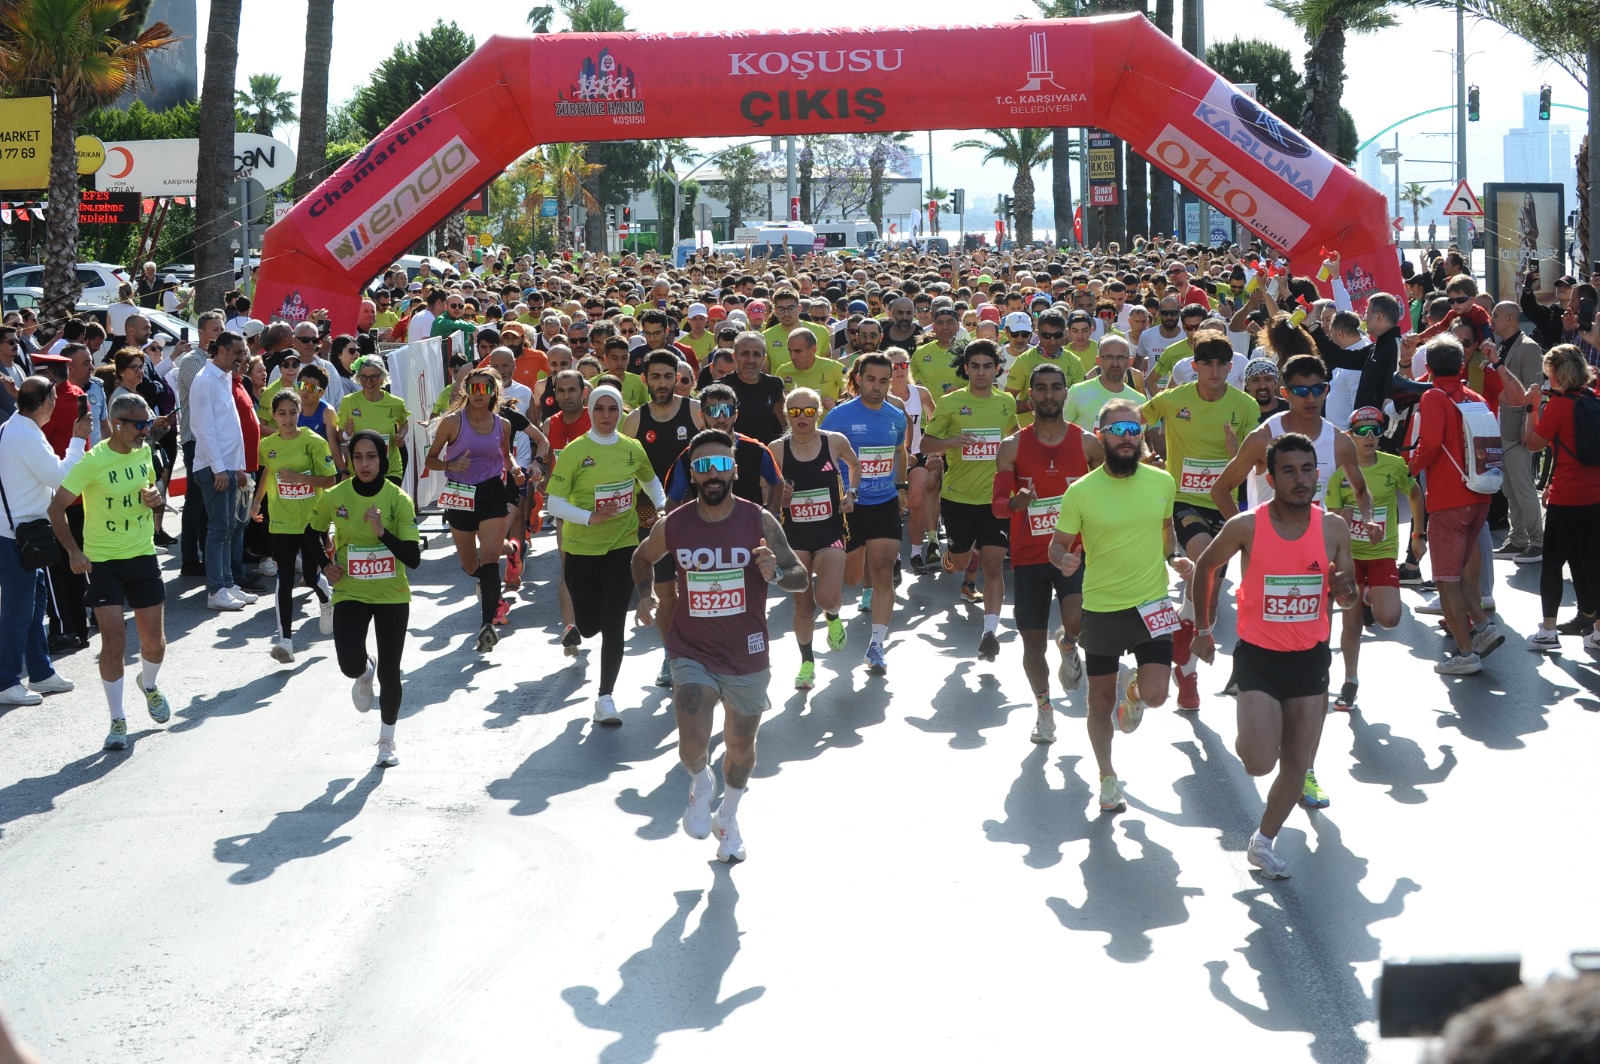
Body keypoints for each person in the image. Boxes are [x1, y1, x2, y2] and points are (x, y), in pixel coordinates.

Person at [631, 428, 811, 863]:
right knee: (693, 745)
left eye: (721, 465)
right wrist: (644, 595)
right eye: (703, 467)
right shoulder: (675, 524)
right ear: (692, 476)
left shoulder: (759, 521)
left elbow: (801, 578)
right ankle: (699, 783)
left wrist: (775, 572)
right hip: (692, 650)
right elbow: (641, 557)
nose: (713, 474)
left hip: (747, 654)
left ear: (733, 469)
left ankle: (728, 817)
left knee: (741, 746)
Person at [1189, 432, 1359, 879]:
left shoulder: (1333, 528)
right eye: (1289, 471)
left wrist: (1345, 590)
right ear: (1270, 475)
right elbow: (1206, 565)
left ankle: (1262, 842)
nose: (1301, 479)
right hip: (1260, 657)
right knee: (1259, 761)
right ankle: (1254, 727)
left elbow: (1347, 592)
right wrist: (1203, 629)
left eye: (1308, 469)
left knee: (1297, 762)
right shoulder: (1247, 525)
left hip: (1310, 659)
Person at [1049, 398, 1187, 813]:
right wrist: (1064, 558)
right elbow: (1057, 546)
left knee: (1159, 695)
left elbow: (1165, 530)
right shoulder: (1080, 492)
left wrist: (1174, 557)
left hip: (1152, 602)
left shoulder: (1162, 482)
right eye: (1118, 432)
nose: (1128, 439)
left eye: (1134, 431)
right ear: (1100, 436)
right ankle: (1107, 777)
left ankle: (1137, 693)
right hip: (1103, 608)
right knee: (1099, 703)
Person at [1141, 330, 1259, 710]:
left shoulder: (1244, 406)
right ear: (1194, 367)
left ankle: (1185, 672)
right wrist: (1145, 453)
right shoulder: (1175, 399)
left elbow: (1256, 461)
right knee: (1201, 565)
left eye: (1220, 364)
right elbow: (1135, 418)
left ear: (1230, 367)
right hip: (1184, 501)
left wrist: (1236, 452)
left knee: (1204, 601)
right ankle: (1185, 660)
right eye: (1205, 363)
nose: (1213, 370)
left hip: (1224, 503)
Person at [49, 393, 172, 751]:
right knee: (114, 641)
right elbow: (55, 508)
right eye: (138, 424)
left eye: (147, 422)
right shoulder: (92, 462)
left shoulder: (144, 452)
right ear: (117, 424)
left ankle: (148, 686)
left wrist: (156, 498)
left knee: (153, 642)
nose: (145, 430)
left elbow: (151, 491)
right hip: (103, 561)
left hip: (142, 554)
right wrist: (74, 552)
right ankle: (117, 719)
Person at [994, 362, 1103, 743]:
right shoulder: (1013, 446)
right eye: (1041, 388)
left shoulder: (1088, 443)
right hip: (1029, 557)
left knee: (1076, 620)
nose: (1049, 395)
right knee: (1032, 644)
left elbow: (1109, 493)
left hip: (1072, 552)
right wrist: (1016, 503)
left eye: (1056, 388)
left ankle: (1069, 644)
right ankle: (1044, 710)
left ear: (1065, 392)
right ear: (1030, 394)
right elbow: (996, 507)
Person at [544, 385, 665, 725]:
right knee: (589, 625)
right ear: (591, 410)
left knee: (614, 622)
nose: (607, 416)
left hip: (623, 542)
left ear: (621, 412)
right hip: (582, 547)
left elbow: (650, 480)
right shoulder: (575, 451)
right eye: (601, 409)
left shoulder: (631, 448)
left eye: (613, 409)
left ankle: (605, 697)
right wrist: (589, 517)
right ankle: (583, 625)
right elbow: (554, 502)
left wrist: (662, 505)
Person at [310, 431, 422, 767]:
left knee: (391, 671)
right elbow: (311, 532)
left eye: (371, 456)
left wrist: (382, 533)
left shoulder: (398, 499)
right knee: (348, 663)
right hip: (351, 591)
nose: (364, 464)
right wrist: (325, 564)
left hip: (391, 595)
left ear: (382, 458)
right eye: (357, 457)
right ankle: (363, 670)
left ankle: (387, 740)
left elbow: (413, 558)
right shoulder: (335, 496)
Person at [1407, 336, 1504, 675]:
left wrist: (1412, 465)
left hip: (1450, 499)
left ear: (1429, 368)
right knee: (1462, 569)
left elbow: (1430, 443)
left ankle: (1466, 654)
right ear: (1461, 365)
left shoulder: (1433, 396)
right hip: (1479, 495)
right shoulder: (1473, 396)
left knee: (1445, 579)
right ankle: (1483, 627)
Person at [921, 339, 1019, 658]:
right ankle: (955, 554)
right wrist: (952, 441)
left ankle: (990, 631)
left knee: (993, 566)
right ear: (966, 369)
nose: (980, 372)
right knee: (959, 562)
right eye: (974, 366)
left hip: (995, 497)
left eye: (987, 366)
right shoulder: (951, 403)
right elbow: (925, 443)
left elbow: (1015, 441)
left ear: (996, 370)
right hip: (958, 497)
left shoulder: (1006, 403)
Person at [1500, 344, 1600, 653]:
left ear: (1555, 373)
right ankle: (1597, 630)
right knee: (1593, 563)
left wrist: (1532, 407)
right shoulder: (1594, 400)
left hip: (1567, 497)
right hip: (1595, 496)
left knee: (1553, 563)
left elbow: (1533, 444)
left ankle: (1548, 629)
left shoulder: (1558, 407)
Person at [1324, 406, 1424, 712]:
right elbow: (1327, 515)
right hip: (1349, 556)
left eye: (1376, 431)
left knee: (1389, 619)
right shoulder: (1339, 471)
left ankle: (1371, 598)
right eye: (1363, 432)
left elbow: (1416, 494)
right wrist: (1342, 514)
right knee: (1351, 622)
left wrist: (1418, 536)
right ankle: (1350, 682)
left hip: (1381, 552)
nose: (1370, 437)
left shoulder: (1394, 465)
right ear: (1351, 436)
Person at [0, 374, 88, 705]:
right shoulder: (24, 434)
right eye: (54, 399)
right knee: (18, 611)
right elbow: (62, 478)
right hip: (19, 537)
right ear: (46, 403)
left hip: (22, 534)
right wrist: (78, 440)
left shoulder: (18, 427)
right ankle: (7, 680)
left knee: (34, 607)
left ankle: (40, 673)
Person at [821, 352, 909, 674]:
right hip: (849, 506)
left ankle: (877, 645)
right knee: (853, 577)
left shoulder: (896, 415)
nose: (877, 386)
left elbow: (900, 451)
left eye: (883, 381)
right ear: (858, 378)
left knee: (884, 570)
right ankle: (846, 604)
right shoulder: (839, 417)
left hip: (884, 501)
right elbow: (821, 456)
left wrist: (900, 488)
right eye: (870, 379)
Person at [424, 367, 523, 653]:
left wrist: (515, 470)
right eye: (474, 388)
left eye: (485, 388)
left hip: (492, 491)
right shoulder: (452, 422)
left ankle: (486, 626)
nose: (479, 394)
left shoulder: (502, 424)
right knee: (470, 565)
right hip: (459, 493)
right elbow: (430, 460)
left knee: (489, 558)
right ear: (467, 391)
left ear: (494, 391)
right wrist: (450, 465)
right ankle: (514, 550)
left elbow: (505, 456)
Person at [624, 349, 704, 687]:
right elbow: (623, 470)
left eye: (668, 376)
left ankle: (700, 651)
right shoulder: (635, 420)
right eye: (655, 377)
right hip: (651, 515)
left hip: (697, 513)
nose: (662, 383)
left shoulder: (696, 412)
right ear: (645, 380)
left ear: (678, 379)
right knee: (666, 592)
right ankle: (671, 655)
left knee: (696, 590)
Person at [771, 387, 860, 689]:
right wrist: (780, 497)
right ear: (787, 415)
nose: (802, 417)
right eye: (794, 412)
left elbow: (855, 464)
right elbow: (764, 493)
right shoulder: (777, 449)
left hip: (830, 531)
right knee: (803, 607)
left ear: (818, 412)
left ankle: (833, 616)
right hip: (794, 535)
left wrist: (851, 493)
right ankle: (807, 663)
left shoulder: (833, 441)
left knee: (825, 598)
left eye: (808, 411)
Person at [250, 391, 338, 663]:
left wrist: (299, 477)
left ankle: (326, 598)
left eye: (292, 412)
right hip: (281, 522)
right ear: (273, 416)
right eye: (281, 413)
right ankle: (285, 641)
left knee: (310, 578)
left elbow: (330, 480)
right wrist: (256, 502)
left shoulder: (314, 441)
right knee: (284, 579)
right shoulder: (268, 445)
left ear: (299, 413)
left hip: (311, 521)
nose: (287, 419)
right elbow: (268, 472)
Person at [188, 330, 254, 611]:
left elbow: (231, 429)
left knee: (227, 528)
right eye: (238, 352)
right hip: (213, 468)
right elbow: (203, 429)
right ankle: (216, 589)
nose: (242, 358)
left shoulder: (224, 377)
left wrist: (236, 468)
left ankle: (227, 584)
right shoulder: (205, 380)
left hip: (227, 467)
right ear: (223, 351)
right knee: (219, 530)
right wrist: (218, 469)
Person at [1487, 301, 1547, 564]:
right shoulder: (1503, 345)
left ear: (1510, 319)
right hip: (1503, 427)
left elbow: (1535, 390)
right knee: (1510, 488)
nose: (1491, 320)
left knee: (1523, 488)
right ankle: (1518, 539)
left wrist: (1529, 427)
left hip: (1519, 431)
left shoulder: (1529, 348)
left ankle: (1539, 541)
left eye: (1495, 315)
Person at [338, 357, 410, 483]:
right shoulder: (349, 401)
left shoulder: (396, 403)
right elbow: (340, 437)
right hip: (360, 470)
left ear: (382, 377)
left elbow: (404, 424)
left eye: (373, 377)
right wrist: (347, 434)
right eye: (364, 377)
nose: (368, 381)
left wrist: (401, 435)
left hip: (389, 470)